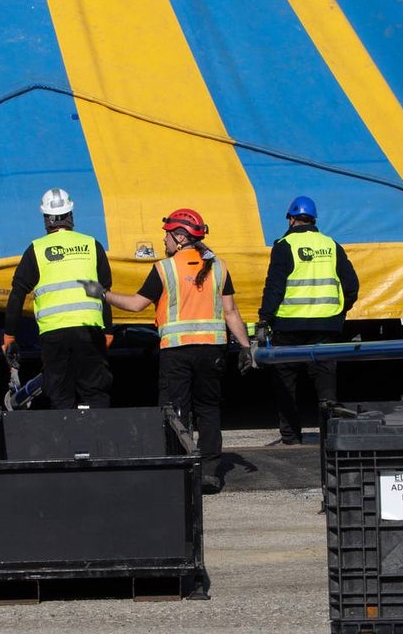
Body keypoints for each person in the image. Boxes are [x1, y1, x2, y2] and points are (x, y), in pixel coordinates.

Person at [81, 209, 250, 494]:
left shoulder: (165, 269)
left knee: (175, 411)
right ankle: (210, 472)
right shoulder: (219, 266)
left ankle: (181, 468)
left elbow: (136, 305)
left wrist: (102, 293)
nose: (164, 239)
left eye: (168, 234)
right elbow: (231, 312)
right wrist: (246, 347)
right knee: (208, 410)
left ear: (181, 237)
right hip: (213, 350)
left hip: (177, 352)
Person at [257, 196, 359, 445]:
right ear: (313, 219)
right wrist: (338, 313)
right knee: (325, 385)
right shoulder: (331, 245)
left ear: (291, 219)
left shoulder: (284, 245)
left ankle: (291, 437)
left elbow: (275, 287)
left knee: (286, 384)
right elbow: (351, 285)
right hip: (325, 326)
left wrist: (265, 319)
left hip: (288, 326)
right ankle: (330, 437)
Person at [3, 188, 114, 410]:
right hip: (89, 330)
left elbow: (17, 294)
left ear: (46, 219)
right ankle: (101, 440)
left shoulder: (36, 249)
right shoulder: (93, 245)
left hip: (54, 334)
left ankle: (66, 442)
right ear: (71, 214)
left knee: (60, 393)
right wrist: (108, 330)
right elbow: (105, 293)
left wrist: (9, 335)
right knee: (94, 391)